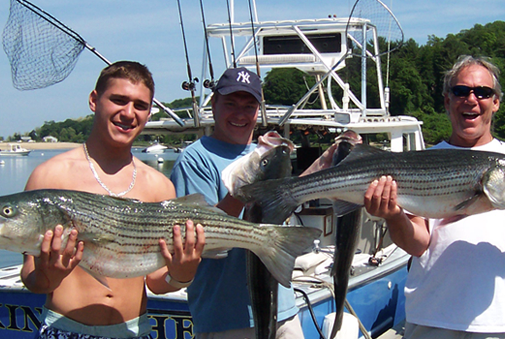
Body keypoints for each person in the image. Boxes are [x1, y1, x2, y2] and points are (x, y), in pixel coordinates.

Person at [363, 55, 505, 339]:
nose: (471, 99)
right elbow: (418, 244)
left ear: (496, 102)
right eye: (460, 91)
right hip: (430, 316)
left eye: (483, 92)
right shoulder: (423, 160)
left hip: (501, 322)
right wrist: (393, 215)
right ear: (447, 101)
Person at [20, 61, 206, 339]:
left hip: (134, 331)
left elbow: (157, 283)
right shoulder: (50, 176)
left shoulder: (159, 186)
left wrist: (182, 275)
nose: (128, 113)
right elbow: (31, 277)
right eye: (118, 100)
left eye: (140, 105)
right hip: (64, 329)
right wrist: (50, 276)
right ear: (95, 100)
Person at [169, 67, 304, 338]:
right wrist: (243, 189)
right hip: (226, 319)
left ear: (258, 110)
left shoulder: (265, 158)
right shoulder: (195, 160)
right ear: (215, 104)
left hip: (284, 311)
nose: (240, 114)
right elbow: (202, 235)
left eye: (249, 105)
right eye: (230, 103)